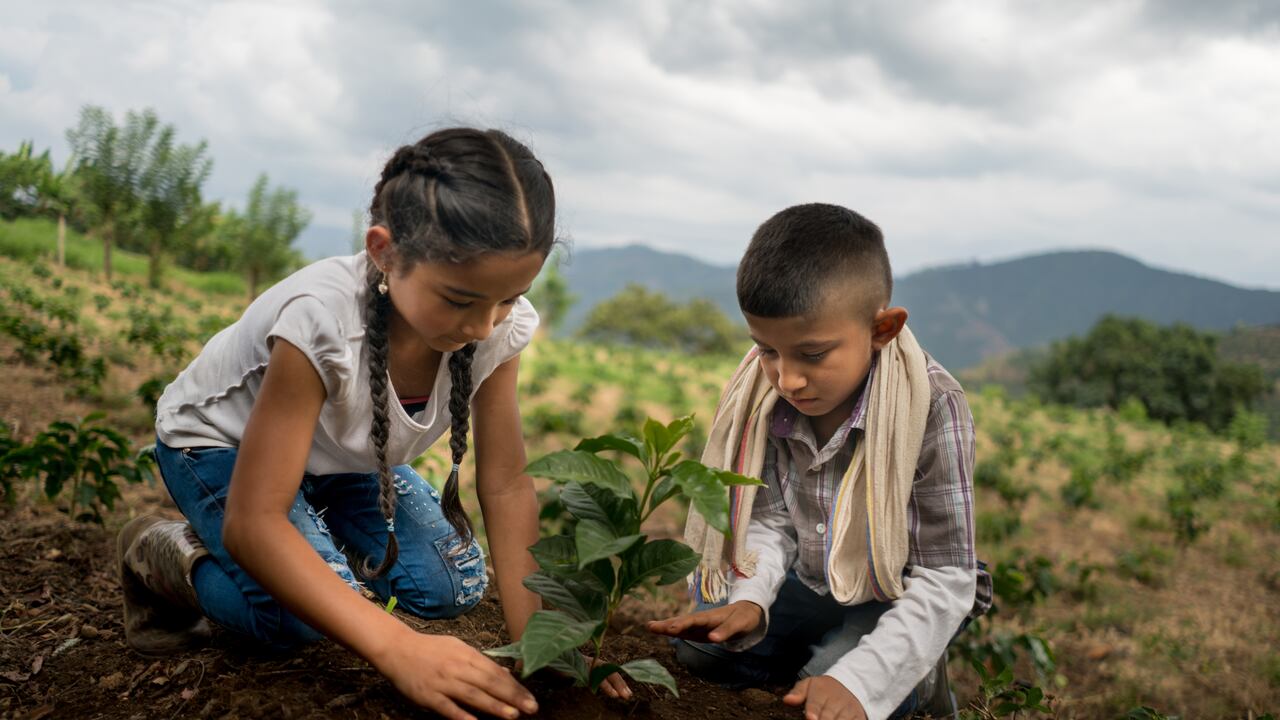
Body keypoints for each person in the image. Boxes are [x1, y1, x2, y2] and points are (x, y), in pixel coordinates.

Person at [118, 127, 627, 720]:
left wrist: (547, 650)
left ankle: (311, 527)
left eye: (509, 299)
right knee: (294, 617)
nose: (486, 326)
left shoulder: (495, 332)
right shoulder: (322, 323)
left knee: (453, 585)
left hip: (339, 458)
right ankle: (163, 553)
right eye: (460, 300)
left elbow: (507, 483)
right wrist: (397, 648)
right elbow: (255, 523)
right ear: (384, 251)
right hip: (218, 446)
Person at [647, 203, 991, 720]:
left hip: (890, 592)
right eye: (766, 350)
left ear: (882, 330)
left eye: (812, 354)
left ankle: (915, 682)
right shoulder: (763, 395)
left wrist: (858, 682)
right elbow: (767, 517)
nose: (786, 380)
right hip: (807, 580)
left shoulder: (931, 405)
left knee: (841, 690)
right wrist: (752, 597)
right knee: (703, 650)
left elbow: (944, 578)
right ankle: (818, 654)